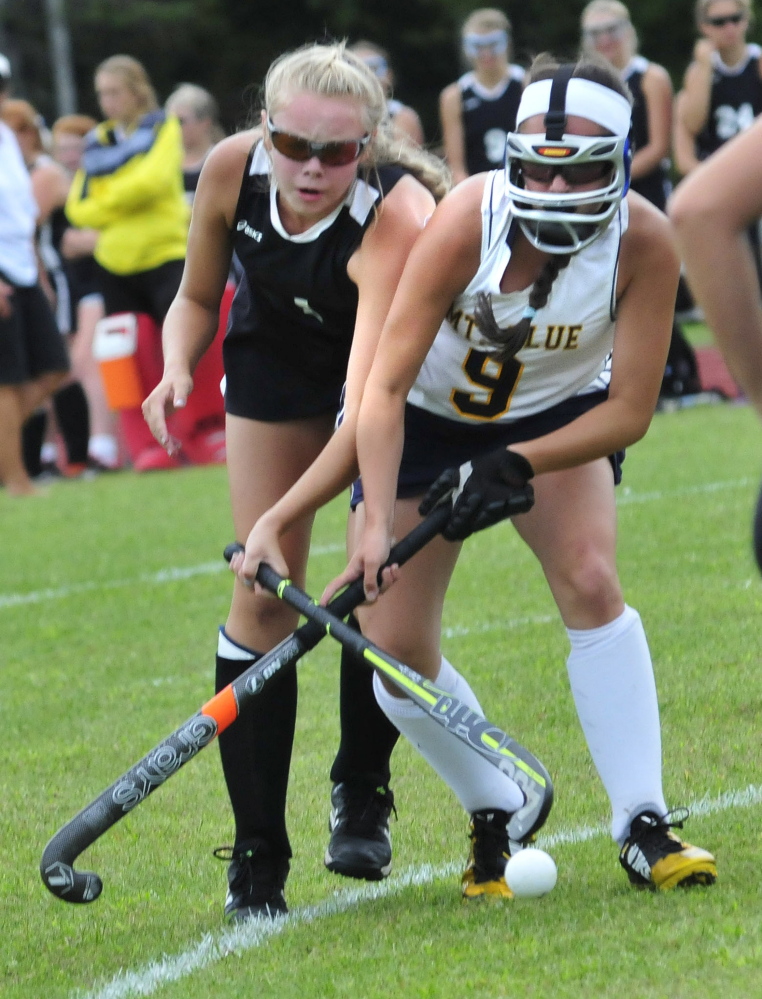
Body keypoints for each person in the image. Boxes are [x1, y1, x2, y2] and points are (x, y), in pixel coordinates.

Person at [233, 55, 718, 900]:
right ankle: (497, 799)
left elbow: (631, 408)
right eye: (539, 169)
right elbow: (382, 390)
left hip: (557, 417)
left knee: (591, 577)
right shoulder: (468, 217)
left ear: (618, 163)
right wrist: (366, 521)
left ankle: (643, 820)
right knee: (394, 646)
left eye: (578, 173)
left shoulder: (645, 240)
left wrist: (520, 459)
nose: (554, 192)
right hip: (424, 419)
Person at [142, 41, 449, 921]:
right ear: (265, 129)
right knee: (261, 600)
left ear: (367, 147)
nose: (311, 168)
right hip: (274, 362)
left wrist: (295, 515)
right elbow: (196, 297)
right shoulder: (231, 170)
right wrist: (176, 364)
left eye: (336, 152)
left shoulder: (397, 214)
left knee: (372, 582)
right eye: (293, 145)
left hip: (384, 389)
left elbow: (368, 405)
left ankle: (362, 787)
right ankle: (255, 857)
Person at [65, 55, 226, 471]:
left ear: (137, 91)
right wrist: (124, 197)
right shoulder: (98, 140)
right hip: (115, 263)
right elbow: (78, 206)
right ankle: (147, 445)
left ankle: (204, 432)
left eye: (114, 92)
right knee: (125, 356)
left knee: (189, 346)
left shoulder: (162, 127)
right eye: (102, 93)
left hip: (165, 255)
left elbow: (153, 183)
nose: (107, 101)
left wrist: (108, 196)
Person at [580, 1, 702, 400]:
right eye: (596, 33)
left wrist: (612, 177)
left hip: (644, 193)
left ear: (628, 31)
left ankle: (678, 372)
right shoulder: (588, 82)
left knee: (654, 287)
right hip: (602, 197)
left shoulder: (651, 76)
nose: (606, 40)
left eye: (612, 29)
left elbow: (658, 147)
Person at [2, 99, 96, 479]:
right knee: (24, 374)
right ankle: (22, 468)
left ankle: (74, 458)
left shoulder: (42, 172)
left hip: (45, 276)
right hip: (23, 275)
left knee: (57, 368)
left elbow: (25, 226)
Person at [0, 56, 69, 495]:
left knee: (53, 368)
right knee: (6, 379)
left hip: (22, 267)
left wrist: (38, 273)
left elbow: (21, 214)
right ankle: (17, 479)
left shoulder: (6, 137)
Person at [52, 113, 121, 472]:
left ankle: (103, 445)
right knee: (79, 366)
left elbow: (102, 235)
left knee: (86, 363)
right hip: (73, 290)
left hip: (99, 283)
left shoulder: (99, 182)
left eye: (75, 147)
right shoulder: (66, 187)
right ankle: (89, 447)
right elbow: (64, 243)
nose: (69, 155)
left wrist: (82, 241)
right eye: (61, 149)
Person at [675, 0, 762, 177]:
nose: (729, 27)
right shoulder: (698, 71)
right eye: (719, 22)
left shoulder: (758, 63)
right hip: (714, 169)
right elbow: (692, 126)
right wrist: (705, 66)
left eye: (735, 19)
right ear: (704, 27)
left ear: (746, 20)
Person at [439, 8, 525, 186]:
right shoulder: (454, 96)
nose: (486, 53)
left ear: (507, 43)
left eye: (493, 44)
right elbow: (456, 167)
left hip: (524, 183)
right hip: (478, 188)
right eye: (477, 46)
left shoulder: (526, 84)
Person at [348, 41, 425, 146]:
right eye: (357, 70)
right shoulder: (339, 115)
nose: (368, 77)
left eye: (374, 68)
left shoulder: (401, 116)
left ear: (389, 75)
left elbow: (404, 155)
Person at [165, 83, 226, 204]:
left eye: (180, 121)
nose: (173, 128)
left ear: (205, 123)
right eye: (169, 121)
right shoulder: (162, 160)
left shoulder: (222, 161)